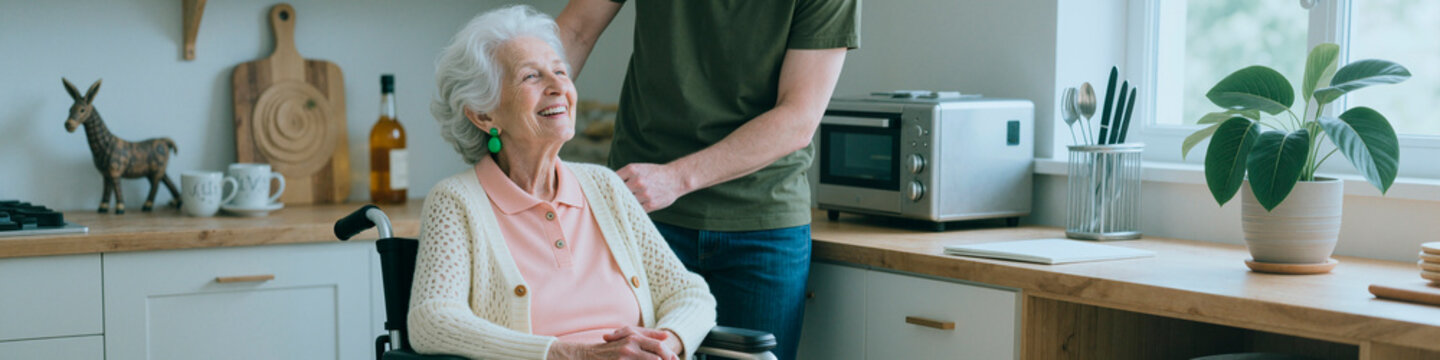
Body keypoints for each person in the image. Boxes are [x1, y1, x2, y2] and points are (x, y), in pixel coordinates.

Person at [408, 6, 716, 360]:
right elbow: (432, 321)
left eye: (559, 71)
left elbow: (689, 294)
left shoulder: (604, 187)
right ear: (483, 114)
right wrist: (573, 354)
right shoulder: (457, 201)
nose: (559, 87)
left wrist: (667, 343)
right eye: (531, 77)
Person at [556, 1, 859, 359]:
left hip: (761, 226)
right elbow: (574, 30)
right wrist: (515, 110)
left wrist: (676, 178)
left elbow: (798, 118)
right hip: (643, 216)